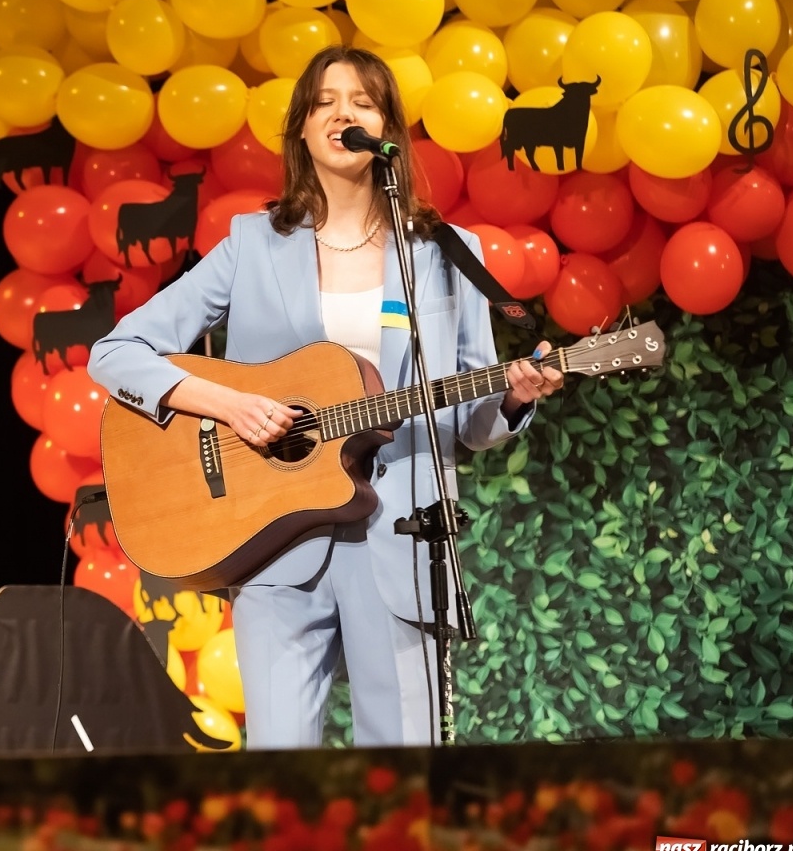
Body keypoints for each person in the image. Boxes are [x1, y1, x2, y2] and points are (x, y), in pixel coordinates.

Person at [88, 45, 564, 748]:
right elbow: (114, 354)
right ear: (303, 131)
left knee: (400, 764)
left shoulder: (446, 252)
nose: (345, 114)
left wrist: (517, 399)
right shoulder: (252, 245)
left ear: (387, 131)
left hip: (400, 536)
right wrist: (229, 405)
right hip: (271, 542)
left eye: (364, 102)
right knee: (282, 768)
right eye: (325, 102)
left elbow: (468, 423)